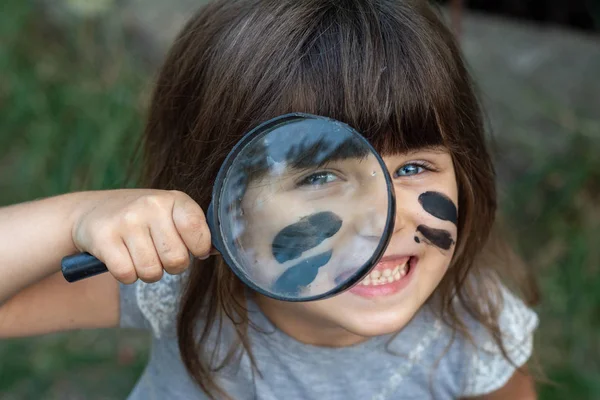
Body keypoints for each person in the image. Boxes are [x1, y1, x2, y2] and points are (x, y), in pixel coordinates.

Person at [0, 0, 540, 398]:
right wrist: (75, 218)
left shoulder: (475, 330)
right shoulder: (183, 283)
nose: (387, 216)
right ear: (227, 203)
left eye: (415, 167)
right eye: (318, 177)